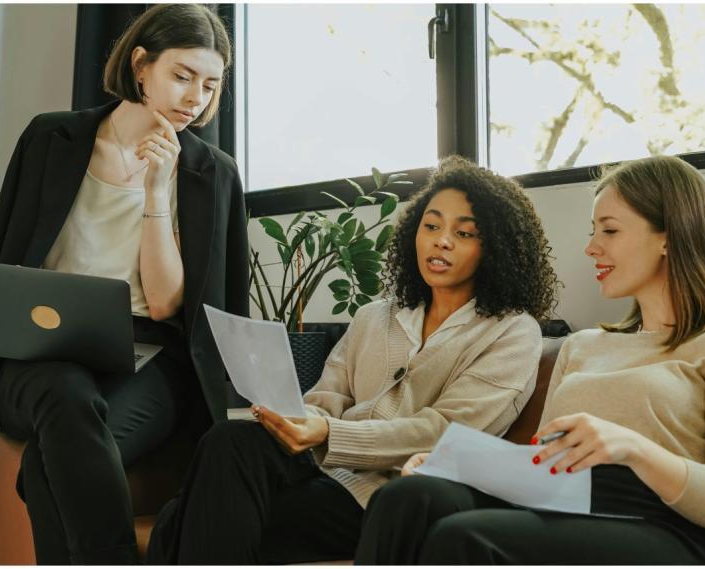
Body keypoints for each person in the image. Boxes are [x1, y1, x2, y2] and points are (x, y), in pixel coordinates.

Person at [355, 155, 705, 565]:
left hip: (663, 527)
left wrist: (633, 448)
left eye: (609, 231)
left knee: (463, 538)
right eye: (593, 231)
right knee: (407, 497)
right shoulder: (584, 346)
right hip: (565, 503)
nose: (591, 247)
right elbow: (539, 472)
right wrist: (451, 466)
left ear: (668, 235)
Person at [145, 155, 559, 564]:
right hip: (320, 470)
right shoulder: (373, 316)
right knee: (229, 439)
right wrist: (293, 416)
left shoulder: (512, 331)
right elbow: (328, 397)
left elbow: (445, 434)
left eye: (464, 233)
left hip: (386, 496)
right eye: (431, 226)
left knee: (179, 520)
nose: (441, 240)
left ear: (496, 248)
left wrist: (327, 433)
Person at [0, 5, 248, 564]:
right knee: (65, 393)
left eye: (210, 84)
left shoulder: (211, 173)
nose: (195, 97)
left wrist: (156, 192)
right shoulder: (50, 138)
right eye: (182, 75)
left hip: (149, 357)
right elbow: (5, 256)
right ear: (141, 65)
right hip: (40, 353)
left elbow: (170, 303)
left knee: (46, 464)